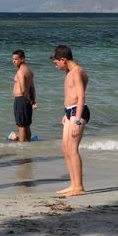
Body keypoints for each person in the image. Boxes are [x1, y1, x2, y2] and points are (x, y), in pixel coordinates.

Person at [51, 45, 90, 197]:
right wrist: (66, 113)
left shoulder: (77, 72)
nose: (56, 66)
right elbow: (70, 94)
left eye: (56, 63)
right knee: (65, 148)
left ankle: (79, 187)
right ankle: (73, 184)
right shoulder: (70, 71)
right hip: (70, 112)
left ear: (63, 60)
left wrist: (78, 120)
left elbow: (81, 97)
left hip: (77, 112)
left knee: (72, 149)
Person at [11, 50, 37, 142]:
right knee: (26, 125)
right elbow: (32, 88)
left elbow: (23, 89)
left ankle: (22, 146)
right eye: (13, 59)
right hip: (27, 100)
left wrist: (29, 100)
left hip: (21, 99)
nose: (14, 61)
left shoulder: (21, 72)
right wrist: (33, 101)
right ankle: (28, 143)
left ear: (22, 59)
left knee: (21, 125)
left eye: (16, 59)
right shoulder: (29, 71)